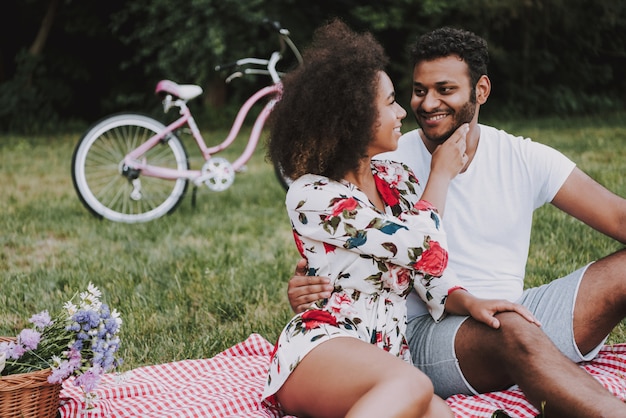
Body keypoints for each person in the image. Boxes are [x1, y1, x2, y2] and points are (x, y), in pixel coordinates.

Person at [287, 26, 626, 417]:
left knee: (517, 321)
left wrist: (472, 301)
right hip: (426, 333)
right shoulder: (390, 161)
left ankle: (548, 372)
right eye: (417, 91)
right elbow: (370, 245)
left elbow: (618, 215)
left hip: (500, 310)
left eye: (444, 90)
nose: (426, 104)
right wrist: (307, 281)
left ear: (480, 91)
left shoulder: (517, 157)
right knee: (508, 330)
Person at [261, 20, 537, 418]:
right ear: (354, 118)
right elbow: (424, 250)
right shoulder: (313, 195)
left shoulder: (398, 180)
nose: (403, 110)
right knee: (413, 385)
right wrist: (441, 175)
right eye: (390, 102)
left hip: (388, 357)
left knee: (440, 413)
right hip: (321, 347)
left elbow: (429, 278)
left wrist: (470, 302)